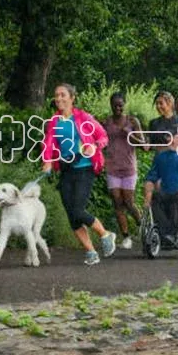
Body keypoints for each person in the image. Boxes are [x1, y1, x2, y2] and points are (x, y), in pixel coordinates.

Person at [42, 83, 116, 266]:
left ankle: (105, 234)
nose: (58, 98)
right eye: (56, 95)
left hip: (84, 167)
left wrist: (94, 146)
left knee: (78, 209)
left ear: (72, 97)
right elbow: (49, 143)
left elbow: (103, 137)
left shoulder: (84, 118)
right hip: (66, 169)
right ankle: (91, 251)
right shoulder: (54, 121)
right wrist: (47, 160)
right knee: (71, 215)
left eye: (63, 95)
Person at [101, 92, 144, 249]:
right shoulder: (106, 122)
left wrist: (130, 134)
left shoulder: (132, 121)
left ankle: (142, 224)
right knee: (117, 202)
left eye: (120, 104)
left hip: (128, 167)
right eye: (115, 104)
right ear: (111, 105)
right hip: (112, 167)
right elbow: (95, 135)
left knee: (128, 201)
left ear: (124, 104)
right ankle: (126, 237)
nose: (118, 107)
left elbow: (143, 144)